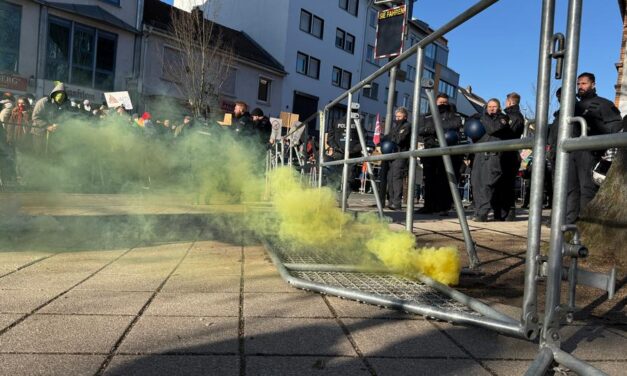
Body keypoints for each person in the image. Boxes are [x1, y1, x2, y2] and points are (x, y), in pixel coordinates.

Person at [565, 72, 622, 224]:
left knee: (587, 189)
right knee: (570, 189)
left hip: (590, 151)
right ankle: (570, 223)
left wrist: (602, 148)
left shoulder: (604, 104)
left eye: (584, 83)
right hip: (571, 151)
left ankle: (586, 222)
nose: (580, 87)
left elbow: (616, 128)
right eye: (578, 84)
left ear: (593, 84)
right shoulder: (572, 106)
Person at [417, 93, 463, 215]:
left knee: (444, 181)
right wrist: (433, 129)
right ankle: (428, 206)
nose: (443, 105)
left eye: (445, 103)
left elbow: (455, 124)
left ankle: (444, 207)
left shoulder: (454, 115)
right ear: (435, 103)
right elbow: (419, 129)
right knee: (429, 180)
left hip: (446, 151)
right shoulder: (426, 116)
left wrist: (435, 128)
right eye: (440, 102)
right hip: (430, 151)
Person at [470, 99, 510, 222]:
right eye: (490, 106)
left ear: (499, 107)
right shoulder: (482, 117)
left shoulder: (503, 118)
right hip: (479, 154)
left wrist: (482, 116)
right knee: (476, 183)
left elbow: (492, 128)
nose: (492, 108)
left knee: (487, 184)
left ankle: (483, 213)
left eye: (495, 106)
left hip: (493, 155)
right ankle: (477, 212)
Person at [495, 92, 525, 221]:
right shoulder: (513, 116)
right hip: (508, 153)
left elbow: (507, 133)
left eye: (506, 101)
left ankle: (508, 213)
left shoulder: (514, 117)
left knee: (506, 184)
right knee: (504, 183)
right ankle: (504, 212)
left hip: (509, 153)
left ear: (510, 102)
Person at [325, 115, 365, 205]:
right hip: (351, 154)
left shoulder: (337, 121)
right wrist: (354, 149)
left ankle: (333, 198)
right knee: (349, 178)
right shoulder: (358, 122)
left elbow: (330, 138)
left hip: (341, 153)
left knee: (335, 176)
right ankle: (342, 200)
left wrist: (336, 148)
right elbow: (363, 139)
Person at [384, 107, 412, 210]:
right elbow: (388, 137)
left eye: (399, 116)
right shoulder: (395, 127)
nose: (397, 118)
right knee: (390, 178)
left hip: (401, 154)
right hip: (393, 154)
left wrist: (391, 139)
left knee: (396, 178)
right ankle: (391, 201)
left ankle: (397, 202)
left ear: (405, 116)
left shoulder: (406, 126)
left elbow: (400, 139)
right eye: (396, 116)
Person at [31, 82, 67, 155]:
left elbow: (56, 117)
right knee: (39, 153)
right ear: (54, 94)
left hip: (51, 135)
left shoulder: (58, 105)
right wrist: (47, 126)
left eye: (63, 96)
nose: (61, 97)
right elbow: (35, 117)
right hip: (39, 133)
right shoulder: (43, 102)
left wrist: (58, 124)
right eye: (59, 95)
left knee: (49, 154)